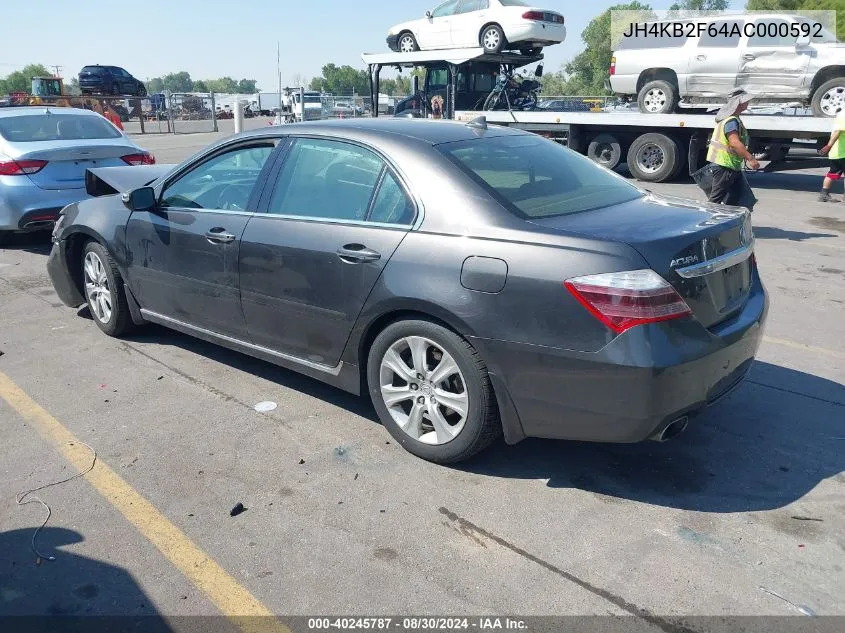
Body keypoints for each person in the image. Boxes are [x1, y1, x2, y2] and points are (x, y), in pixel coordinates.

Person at [706, 88, 760, 208]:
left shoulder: (731, 119)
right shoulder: (731, 121)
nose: (748, 103)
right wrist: (750, 158)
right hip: (724, 166)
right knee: (715, 200)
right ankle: (705, 223)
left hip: (729, 166)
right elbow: (734, 142)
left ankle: (725, 221)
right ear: (739, 102)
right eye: (746, 100)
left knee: (735, 199)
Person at [817, 110, 845, 202]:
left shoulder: (841, 113)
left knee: (832, 174)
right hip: (842, 152)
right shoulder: (844, 115)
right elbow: (837, 132)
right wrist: (828, 145)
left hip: (836, 153)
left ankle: (824, 194)